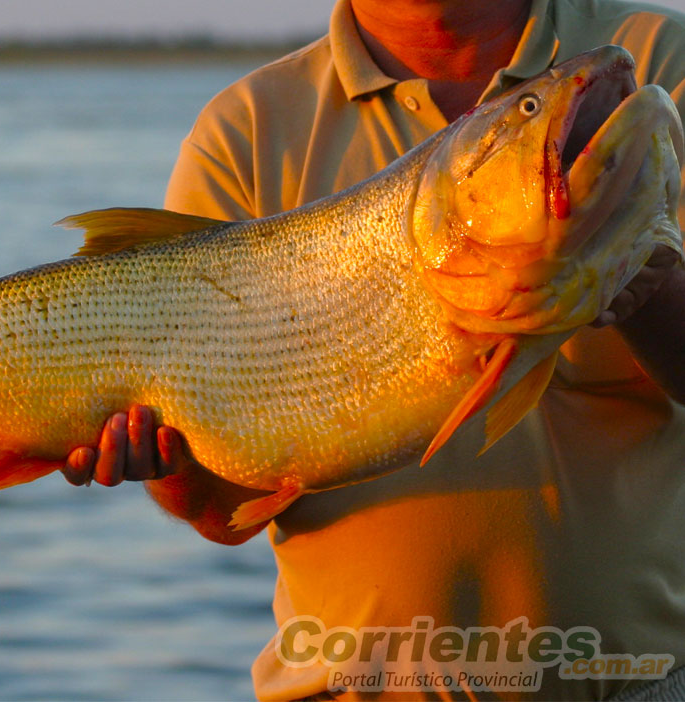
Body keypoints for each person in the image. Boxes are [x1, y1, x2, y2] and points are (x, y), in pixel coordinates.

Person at [61, 0, 685, 699]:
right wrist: (167, 468)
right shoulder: (247, 126)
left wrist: (636, 271)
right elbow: (220, 510)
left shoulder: (649, 57)